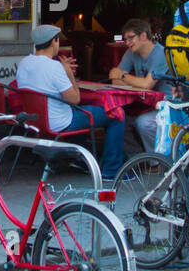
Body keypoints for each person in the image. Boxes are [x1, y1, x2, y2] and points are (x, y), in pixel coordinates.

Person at [17, 24, 125, 180]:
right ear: (54, 41)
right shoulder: (54, 67)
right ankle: (111, 170)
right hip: (59, 122)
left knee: (82, 112)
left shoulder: (24, 63)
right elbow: (75, 99)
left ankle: (80, 159)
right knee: (116, 114)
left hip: (35, 121)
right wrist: (69, 74)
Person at [108, 18, 170, 153]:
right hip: (145, 104)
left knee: (143, 123)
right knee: (118, 117)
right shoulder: (131, 53)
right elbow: (115, 81)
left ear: (143, 36)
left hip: (168, 106)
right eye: (125, 39)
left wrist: (124, 76)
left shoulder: (161, 53)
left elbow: (147, 84)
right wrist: (130, 80)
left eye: (130, 38)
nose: (127, 43)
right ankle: (139, 159)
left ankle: (156, 161)